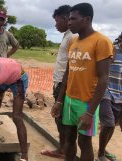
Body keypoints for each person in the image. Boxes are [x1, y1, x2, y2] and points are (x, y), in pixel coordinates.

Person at [51, 3, 113, 161]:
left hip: (86, 103)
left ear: (87, 19)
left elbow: (104, 79)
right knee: (69, 138)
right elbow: (68, 73)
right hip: (69, 99)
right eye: (69, 19)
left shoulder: (101, 41)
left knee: (84, 143)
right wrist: (59, 100)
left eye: (73, 19)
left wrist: (90, 112)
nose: (69, 22)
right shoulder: (73, 41)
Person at [41, 5, 73, 159]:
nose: (55, 24)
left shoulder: (72, 37)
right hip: (60, 84)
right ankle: (63, 148)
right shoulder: (67, 35)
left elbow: (71, 66)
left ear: (66, 18)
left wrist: (61, 92)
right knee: (61, 120)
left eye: (57, 20)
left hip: (63, 85)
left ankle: (63, 150)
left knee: (61, 120)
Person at [0, 9, 20, 125]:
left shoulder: (7, 34)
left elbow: (16, 46)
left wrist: (7, 55)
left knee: (0, 95)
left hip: (4, 70)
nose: (0, 21)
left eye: (2, 19)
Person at [97, 33, 122, 161]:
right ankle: (100, 154)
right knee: (109, 124)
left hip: (120, 95)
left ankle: (103, 149)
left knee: (113, 126)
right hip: (106, 91)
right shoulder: (112, 49)